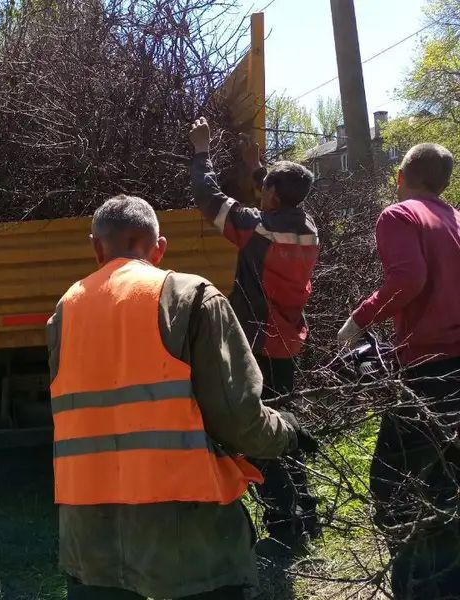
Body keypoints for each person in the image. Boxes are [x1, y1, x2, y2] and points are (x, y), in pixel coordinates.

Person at [46, 195, 317, 600]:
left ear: (96, 247)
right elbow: (239, 420)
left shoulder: (64, 314)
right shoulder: (190, 297)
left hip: (89, 540)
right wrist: (288, 433)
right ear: (159, 248)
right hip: (187, 539)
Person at [188, 117, 321, 553]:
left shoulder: (258, 229)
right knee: (286, 425)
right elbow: (281, 198)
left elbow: (210, 201)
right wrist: (257, 167)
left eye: (264, 189)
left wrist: (202, 152)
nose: (259, 193)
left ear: (273, 197)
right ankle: (307, 516)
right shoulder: (307, 228)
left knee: (259, 431)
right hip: (288, 343)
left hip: (260, 343)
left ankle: (284, 529)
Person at [338, 143, 460, 599]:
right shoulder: (456, 218)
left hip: (430, 372)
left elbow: (408, 279)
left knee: (395, 488)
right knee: (446, 482)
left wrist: (360, 319)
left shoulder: (400, 215)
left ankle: (418, 588)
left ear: (403, 173)